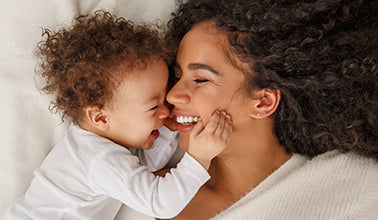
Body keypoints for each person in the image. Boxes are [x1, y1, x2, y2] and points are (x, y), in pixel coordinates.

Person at [0, 11, 233, 220]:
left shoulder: (102, 143)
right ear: (100, 118)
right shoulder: (98, 159)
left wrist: (166, 131)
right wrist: (199, 158)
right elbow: (160, 203)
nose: (166, 111)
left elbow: (144, 169)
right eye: (154, 107)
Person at [163, 0, 378, 219]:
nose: (172, 95)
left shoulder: (354, 189)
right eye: (178, 77)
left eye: (200, 79)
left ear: (264, 101)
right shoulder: (146, 186)